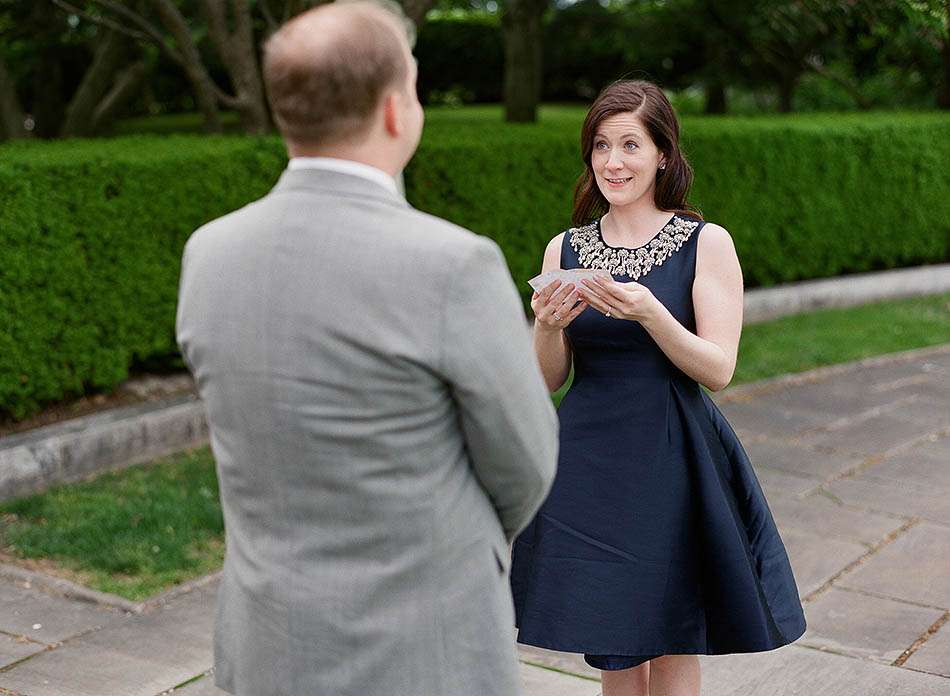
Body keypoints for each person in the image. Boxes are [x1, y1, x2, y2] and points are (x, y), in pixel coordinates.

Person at [175, 2, 558, 694]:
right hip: (422, 652)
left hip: (267, 646)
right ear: (392, 110)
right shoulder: (452, 265)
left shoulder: (209, 252)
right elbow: (527, 466)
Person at [509, 80, 807, 696]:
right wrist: (546, 324)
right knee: (612, 639)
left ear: (663, 154)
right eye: (600, 147)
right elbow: (548, 379)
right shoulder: (566, 247)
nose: (613, 162)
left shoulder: (706, 243)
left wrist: (650, 313)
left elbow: (718, 369)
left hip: (673, 454)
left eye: (630, 145)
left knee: (673, 633)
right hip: (590, 459)